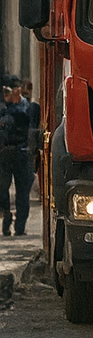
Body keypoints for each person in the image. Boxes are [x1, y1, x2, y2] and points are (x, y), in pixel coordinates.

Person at [0, 75, 34, 236]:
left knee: (22, 192)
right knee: (2, 190)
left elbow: (25, 119)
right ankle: (7, 219)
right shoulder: (3, 108)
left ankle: (20, 226)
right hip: (5, 154)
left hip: (21, 152)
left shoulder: (27, 107)